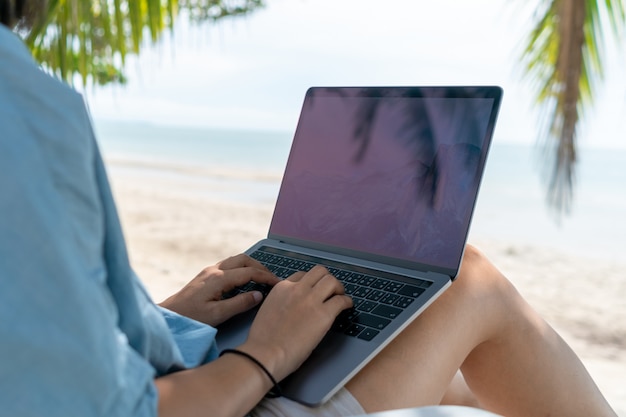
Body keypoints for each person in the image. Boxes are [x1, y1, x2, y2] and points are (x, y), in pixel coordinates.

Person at [0, 4, 617, 417]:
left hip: (174, 365)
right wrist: (263, 355)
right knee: (469, 285)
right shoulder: (20, 107)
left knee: (446, 364)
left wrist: (164, 319)